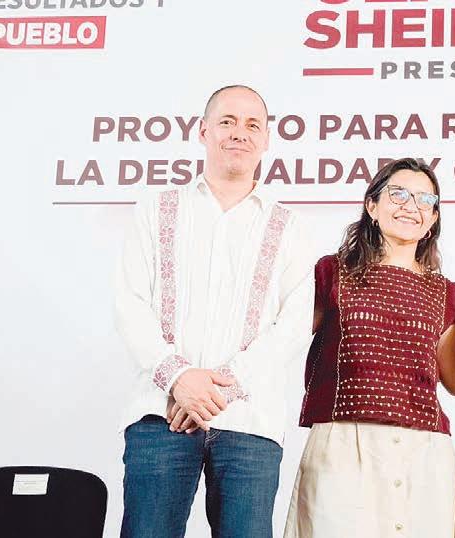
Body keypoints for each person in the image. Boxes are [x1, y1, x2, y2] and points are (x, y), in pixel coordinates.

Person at [115, 85, 314, 537]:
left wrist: (212, 393)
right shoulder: (157, 209)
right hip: (161, 414)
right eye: (227, 122)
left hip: (249, 422)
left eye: (252, 125)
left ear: (266, 140)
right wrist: (180, 379)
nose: (239, 133)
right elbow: (130, 303)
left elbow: (294, 324)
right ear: (203, 131)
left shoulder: (289, 226)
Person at [284, 158, 455, 538]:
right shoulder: (331, 272)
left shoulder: (447, 292)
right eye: (398, 194)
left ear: (433, 218)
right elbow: (283, 342)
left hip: (424, 453)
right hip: (342, 444)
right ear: (372, 205)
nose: (411, 206)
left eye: (424, 199)